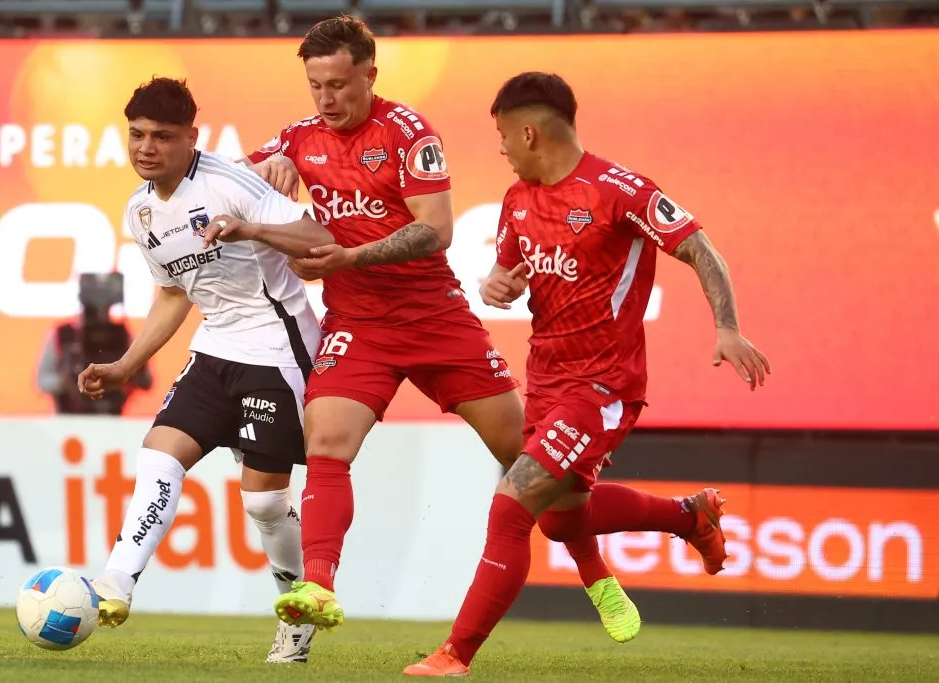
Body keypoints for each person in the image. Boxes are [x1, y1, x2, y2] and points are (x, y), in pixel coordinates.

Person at [236, 16, 729, 644]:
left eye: (339, 85)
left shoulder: (409, 133)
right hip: (358, 323)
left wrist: (351, 257)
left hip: (437, 320)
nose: (327, 100)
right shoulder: (299, 137)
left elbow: (436, 231)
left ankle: (656, 537)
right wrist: (267, 164)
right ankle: (319, 586)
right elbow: (233, 179)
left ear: (370, 74)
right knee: (327, 444)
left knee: (546, 491)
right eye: (315, 87)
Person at [403, 72, 771, 677]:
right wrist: (501, 284)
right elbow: (511, 273)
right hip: (545, 379)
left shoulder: (618, 189)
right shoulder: (516, 200)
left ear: (529, 132)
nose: (500, 149)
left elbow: (701, 249)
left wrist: (727, 327)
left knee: (511, 504)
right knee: (559, 519)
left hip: (603, 386)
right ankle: (691, 516)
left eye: (502, 136)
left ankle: (455, 653)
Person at [76, 76, 334, 664]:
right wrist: (123, 365)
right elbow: (172, 295)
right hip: (214, 348)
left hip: (277, 349)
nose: (147, 148)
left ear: (192, 138)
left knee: (265, 504)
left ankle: (297, 614)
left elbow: (318, 237)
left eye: (163, 137)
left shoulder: (229, 183)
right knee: (158, 454)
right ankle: (116, 584)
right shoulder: (140, 211)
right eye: (137, 135)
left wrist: (253, 228)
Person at [37, 273, 153, 415]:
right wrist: (66, 380)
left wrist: (133, 370)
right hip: (69, 419)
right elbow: (42, 380)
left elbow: (146, 382)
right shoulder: (63, 335)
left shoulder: (122, 335)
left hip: (112, 419)